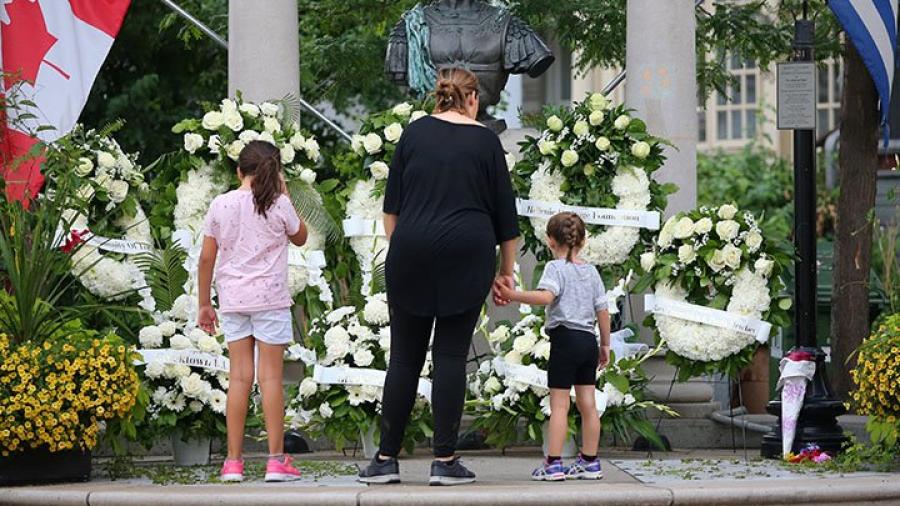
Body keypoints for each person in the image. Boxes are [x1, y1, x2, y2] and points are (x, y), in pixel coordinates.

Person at [357, 67, 520, 486]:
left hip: (411, 249)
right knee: (449, 355)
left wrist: (404, 251)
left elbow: (391, 209)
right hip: (467, 252)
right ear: (473, 101)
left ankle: (385, 459)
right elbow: (507, 219)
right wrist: (505, 274)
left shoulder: (413, 134)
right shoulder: (485, 140)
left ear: (438, 97)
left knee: (404, 358)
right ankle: (444, 460)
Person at [197, 140, 308, 483]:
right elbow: (301, 237)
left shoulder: (221, 204)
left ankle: (233, 462)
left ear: (238, 171)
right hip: (270, 301)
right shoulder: (279, 204)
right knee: (271, 378)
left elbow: (206, 258)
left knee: (240, 378)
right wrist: (285, 194)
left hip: (233, 301)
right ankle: (276, 460)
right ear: (276, 172)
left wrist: (204, 303)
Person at [497, 212, 611, 481]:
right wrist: (605, 344)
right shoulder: (592, 271)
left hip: (565, 340)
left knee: (559, 405)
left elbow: (546, 296)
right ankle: (591, 461)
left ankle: (553, 464)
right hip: (588, 341)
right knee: (588, 404)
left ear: (549, 240)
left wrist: (513, 295)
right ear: (583, 241)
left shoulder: (555, 268)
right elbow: (603, 310)